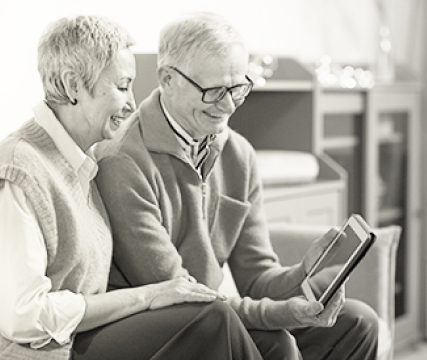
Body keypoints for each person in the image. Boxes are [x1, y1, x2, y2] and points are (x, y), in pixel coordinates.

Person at [95, 11, 379, 360]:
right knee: (276, 343)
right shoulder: (123, 161)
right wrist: (283, 314)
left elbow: (257, 278)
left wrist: (305, 272)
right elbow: (185, 296)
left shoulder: (238, 154)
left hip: (215, 314)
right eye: (214, 91)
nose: (229, 106)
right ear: (168, 79)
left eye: (237, 88)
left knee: (359, 323)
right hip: (165, 327)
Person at [0, 14, 265, 360]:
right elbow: (23, 317)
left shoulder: (81, 161)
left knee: (268, 341)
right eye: (122, 86)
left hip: (89, 335)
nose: (131, 103)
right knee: (212, 320)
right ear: (72, 85)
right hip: (49, 352)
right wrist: (147, 296)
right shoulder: (21, 168)